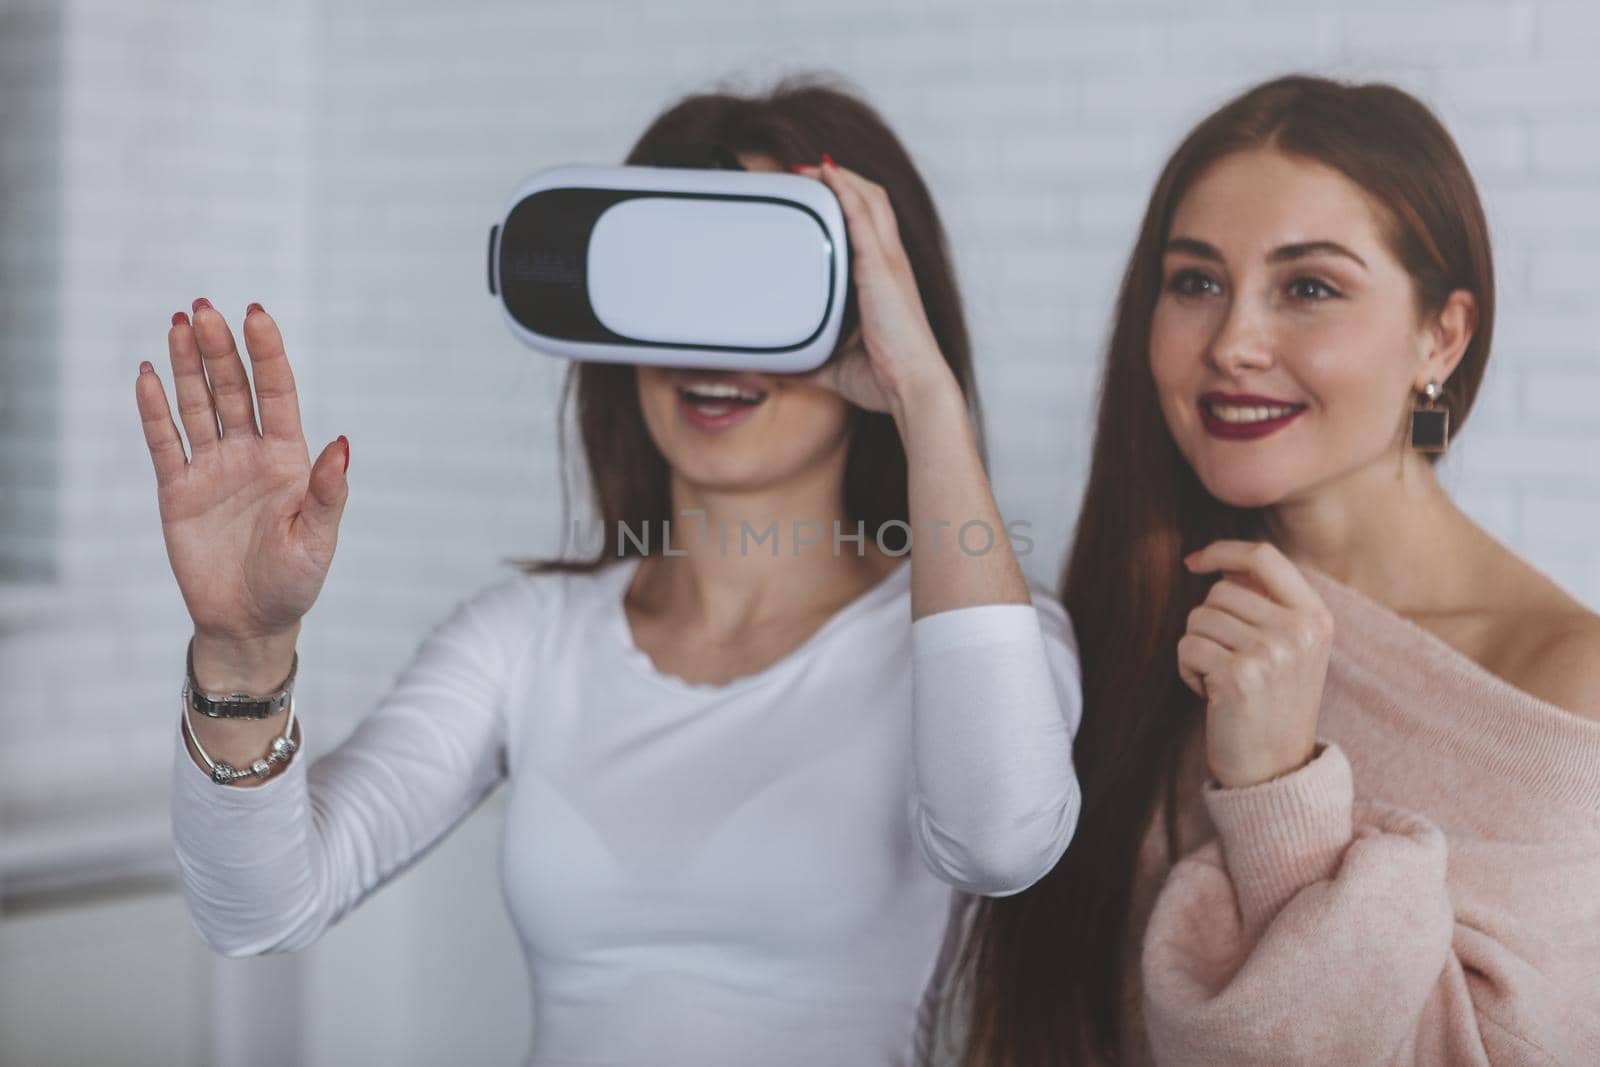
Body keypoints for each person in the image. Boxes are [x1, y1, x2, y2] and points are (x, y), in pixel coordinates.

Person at [135, 78, 1082, 1067]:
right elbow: (259, 908)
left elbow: (1000, 840)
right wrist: (242, 652)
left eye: (756, 285)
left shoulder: (982, 637)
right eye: (671, 283)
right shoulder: (525, 638)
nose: (707, 341)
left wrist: (924, 394)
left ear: (873, 315)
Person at [953, 73, 1600, 1066]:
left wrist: (1277, 791)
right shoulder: (1140, 614)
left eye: (1309, 286)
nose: (1231, 343)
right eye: (1195, 281)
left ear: (1442, 334)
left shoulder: (1566, 685)